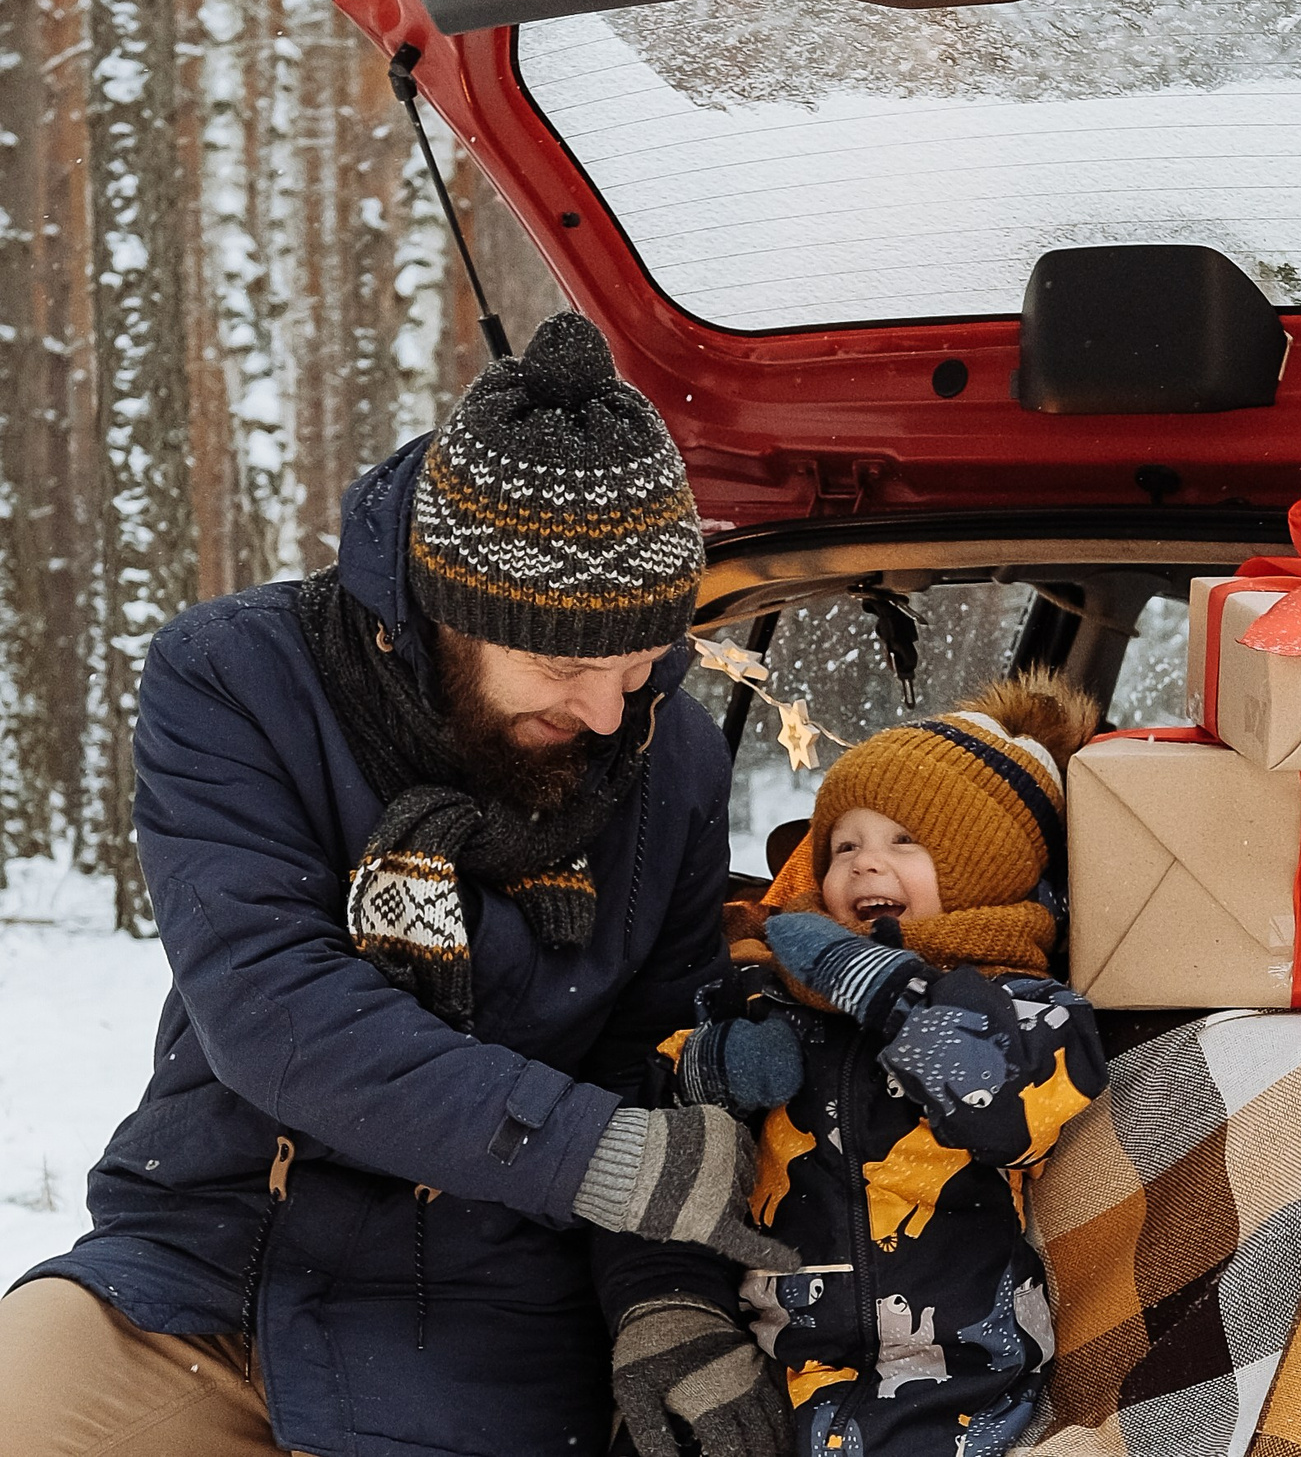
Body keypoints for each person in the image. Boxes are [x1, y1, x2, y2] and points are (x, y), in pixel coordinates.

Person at [0, 313, 795, 1457]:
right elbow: (279, 1015)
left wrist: (661, 1299)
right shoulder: (237, 680)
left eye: (638, 667)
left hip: (482, 1304)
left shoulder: (668, 757)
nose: (610, 715)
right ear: (451, 612)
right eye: (567, 667)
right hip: (209, 1256)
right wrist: (591, 1154)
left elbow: (655, 1060)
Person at [660, 672, 1109, 1457]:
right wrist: (713, 1065)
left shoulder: (1029, 1004)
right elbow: (656, 1093)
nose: (867, 864)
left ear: (983, 870)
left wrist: (882, 988)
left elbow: (1006, 1106)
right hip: (780, 1366)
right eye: (845, 846)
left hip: (958, 1380)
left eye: (906, 842)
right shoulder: (779, 991)